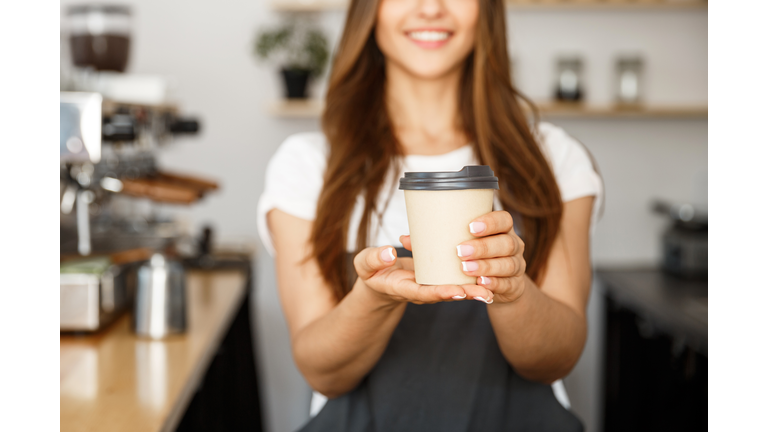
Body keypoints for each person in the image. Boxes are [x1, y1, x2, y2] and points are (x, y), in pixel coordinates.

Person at [257, 0, 603, 429]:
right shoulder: (308, 165)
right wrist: (373, 299)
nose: (430, 8)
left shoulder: (552, 158)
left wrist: (512, 290)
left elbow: (558, 357)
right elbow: (321, 371)